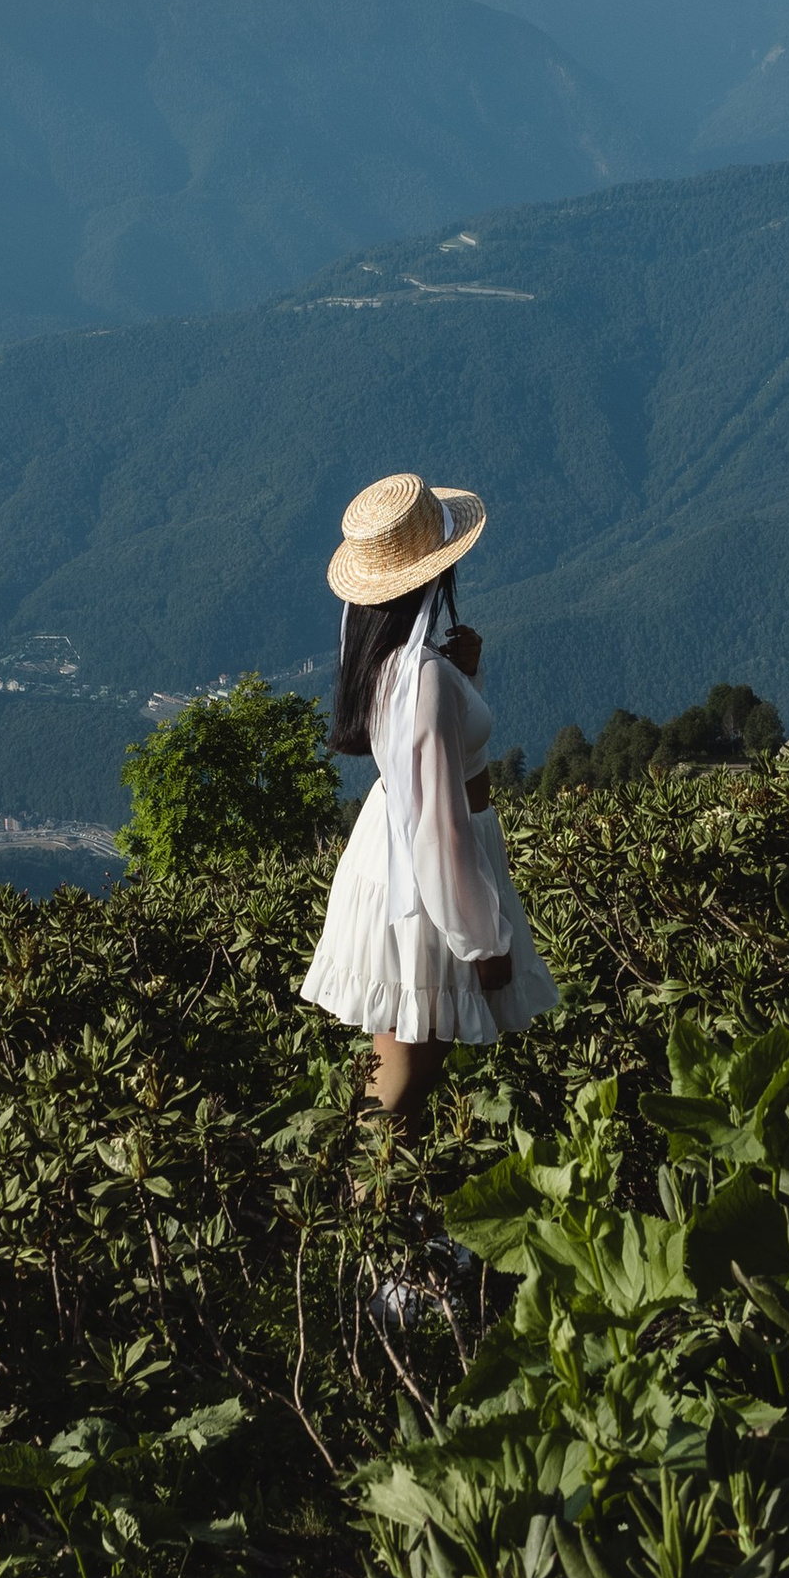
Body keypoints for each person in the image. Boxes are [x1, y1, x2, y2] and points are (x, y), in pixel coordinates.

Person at [300, 471, 559, 1129]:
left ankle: (381, 1210)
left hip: (390, 860)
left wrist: (461, 675)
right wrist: (483, 939)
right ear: (432, 575)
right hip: (425, 880)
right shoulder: (423, 680)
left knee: (405, 1063)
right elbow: (439, 828)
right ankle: (363, 1209)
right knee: (406, 1071)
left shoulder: (388, 664)